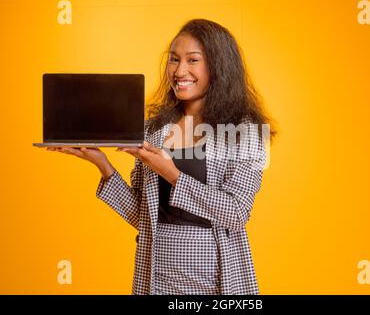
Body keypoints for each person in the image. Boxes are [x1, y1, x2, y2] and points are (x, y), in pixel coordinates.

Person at [47, 18, 276, 295]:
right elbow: (142, 215)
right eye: (174, 59)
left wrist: (169, 172)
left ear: (218, 67)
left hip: (215, 276)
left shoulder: (244, 131)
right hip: (156, 272)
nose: (180, 71)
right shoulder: (153, 128)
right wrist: (102, 164)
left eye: (193, 60)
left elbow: (236, 212)